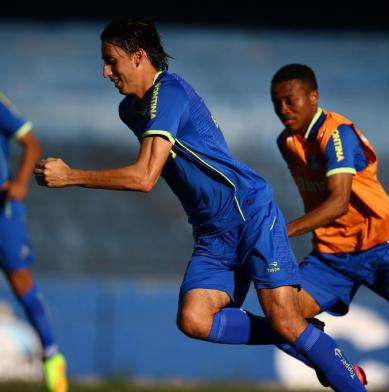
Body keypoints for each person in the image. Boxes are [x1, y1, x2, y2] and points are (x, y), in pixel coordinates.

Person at [34, 17, 366, 391]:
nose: (105, 71)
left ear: (139, 56)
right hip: (212, 230)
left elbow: (145, 176)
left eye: (112, 61)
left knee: (285, 320)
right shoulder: (131, 110)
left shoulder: (170, 92)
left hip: (247, 212)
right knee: (195, 319)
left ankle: (342, 375)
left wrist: (71, 175)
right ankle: (304, 338)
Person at [270, 63, 389, 384]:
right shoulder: (287, 142)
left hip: (381, 244)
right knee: (282, 317)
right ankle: (345, 373)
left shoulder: (338, 133)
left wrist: (281, 232)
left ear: (313, 96)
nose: (283, 110)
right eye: (276, 103)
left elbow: (338, 203)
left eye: (291, 100)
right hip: (332, 256)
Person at [0, 93, 68, 392]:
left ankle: (52, 357)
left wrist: (20, 182)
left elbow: (31, 144)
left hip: (4, 211)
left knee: (21, 282)